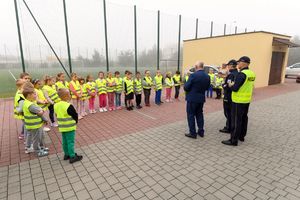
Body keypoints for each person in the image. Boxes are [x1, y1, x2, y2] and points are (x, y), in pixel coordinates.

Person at [222, 56, 256, 146]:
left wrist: (230, 85)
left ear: (244, 63)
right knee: (244, 119)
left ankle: (233, 140)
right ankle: (241, 136)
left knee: (236, 121)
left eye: (239, 62)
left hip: (238, 100)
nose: (238, 64)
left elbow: (235, 88)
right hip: (246, 100)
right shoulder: (252, 73)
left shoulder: (242, 74)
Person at [54, 88, 83, 163]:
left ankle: (66, 154)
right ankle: (72, 156)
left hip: (62, 127)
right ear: (66, 96)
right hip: (69, 127)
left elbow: (56, 114)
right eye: (69, 94)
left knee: (65, 141)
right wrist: (75, 121)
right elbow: (74, 115)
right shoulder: (68, 106)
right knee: (70, 141)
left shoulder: (56, 105)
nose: (70, 95)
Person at [184, 61, 210, 139]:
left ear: (196, 67)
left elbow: (186, 87)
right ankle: (201, 132)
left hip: (192, 98)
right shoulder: (207, 76)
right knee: (199, 114)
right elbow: (207, 87)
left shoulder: (193, 75)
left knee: (191, 115)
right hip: (201, 98)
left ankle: (192, 133)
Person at [22, 82, 49, 157]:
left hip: (35, 125)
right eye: (34, 94)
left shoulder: (28, 102)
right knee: (36, 139)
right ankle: (38, 151)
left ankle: (41, 148)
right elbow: (40, 113)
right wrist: (43, 111)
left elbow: (38, 113)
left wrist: (43, 117)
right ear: (29, 95)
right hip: (34, 125)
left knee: (40, 137)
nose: (36, 95)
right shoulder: (31, 105)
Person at [219, 60, 238, 134]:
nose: (227, 66)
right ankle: (230, 126)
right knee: (231, 113)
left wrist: (223, 85)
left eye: (228, 65)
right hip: (234, 97)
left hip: (228, 96)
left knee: (228, 113)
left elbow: (228, 86)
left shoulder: (231, 74)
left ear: (231, 65)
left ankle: (229, 127)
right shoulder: (237, 73)